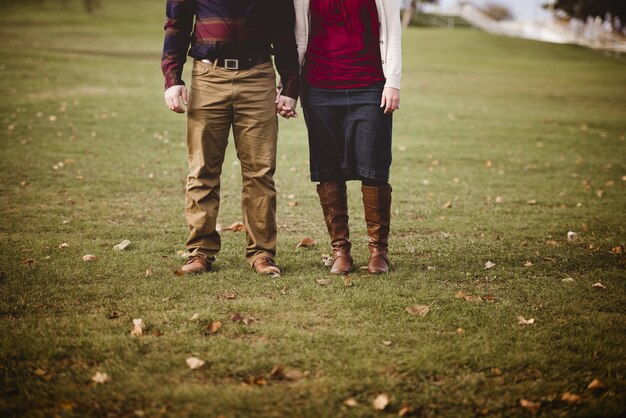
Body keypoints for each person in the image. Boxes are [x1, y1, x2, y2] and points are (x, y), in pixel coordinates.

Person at [161, 0, 300, 275]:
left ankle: (262, 253)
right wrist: (172, 78)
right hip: (208, 77)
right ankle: (199, 252)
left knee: (260, 172)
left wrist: (290, 85)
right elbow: (176, 25)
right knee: (202, 170)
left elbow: (285, 30)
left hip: (258, 78)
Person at [294, 0, 401, 274]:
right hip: (319, 87)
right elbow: (298, 35)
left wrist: (393, 82)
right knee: (328, 169)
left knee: (374, 167)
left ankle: (378, 252)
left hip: (370, 85)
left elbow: (393, 32)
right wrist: (290, 85)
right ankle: (340, 250)